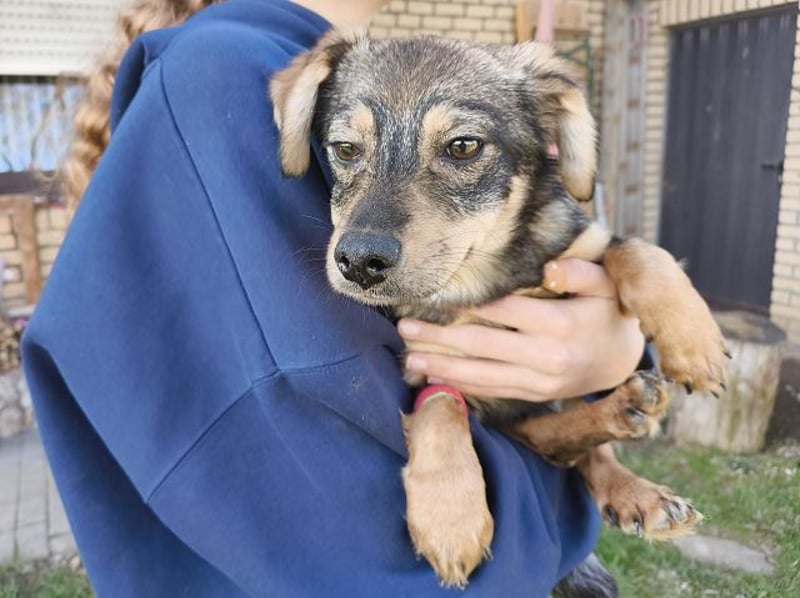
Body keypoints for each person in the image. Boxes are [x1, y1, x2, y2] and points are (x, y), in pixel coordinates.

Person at [22, 0, 645, 595]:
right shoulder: (224, 73)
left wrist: (615, 355)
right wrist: (546, 503)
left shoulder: (339, 64)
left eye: (459, 148)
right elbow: (350, 512)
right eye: (346, 149)